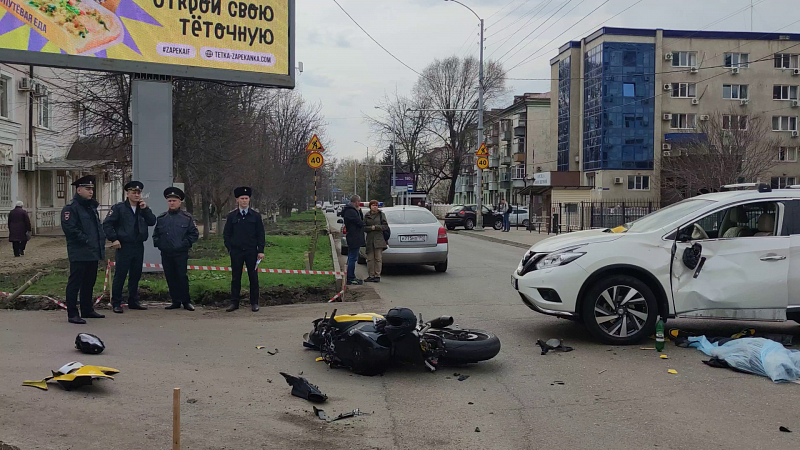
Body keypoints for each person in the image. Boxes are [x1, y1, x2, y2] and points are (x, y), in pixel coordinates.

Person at [102, 181, 157, 314]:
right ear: (128, 194)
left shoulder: (142, 209)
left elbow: (152, 221)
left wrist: (146, 209)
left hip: (138, 245)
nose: (136, 195)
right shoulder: (119, 208)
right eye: (134, 192)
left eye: (138, 193)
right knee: (121, 274)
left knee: (135, 274)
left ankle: (133, 301)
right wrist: (114, 239)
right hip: (124, 245)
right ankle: (116, 302)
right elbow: (107, 224)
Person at [60, 175, 106, 324]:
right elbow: (70, 228)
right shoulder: (71, 208)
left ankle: (87, 309)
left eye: (92, 189)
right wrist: (85, 239)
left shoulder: (91, 207)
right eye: (87, 189)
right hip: (79, 252)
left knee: (89, 282)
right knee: (75, 283)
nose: (91, 192)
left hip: (92, 251)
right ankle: (72, 313)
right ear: (79, 190)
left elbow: (96, 228)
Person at [153, 187, 199, 311]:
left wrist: (184, 244)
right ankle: (175, 301)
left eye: (174, 201)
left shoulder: (187, 217)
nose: (172, 203)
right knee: (170, 276)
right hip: (166, 253)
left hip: (180, 253)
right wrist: (160, 244)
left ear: (180, 202)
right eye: (170, 201)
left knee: (181, 277)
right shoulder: (162, 218)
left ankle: (186, 301)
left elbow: (194, 234)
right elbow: (156, 234)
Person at [223, 186, 265, 313]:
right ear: (237, 200)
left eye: (246, 198)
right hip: (236, 252)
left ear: (249, 200)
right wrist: (230, 248)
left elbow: (260, 234)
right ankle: (234, 303)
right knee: (236, 277)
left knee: (253, 277)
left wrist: (260, 250)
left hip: (251, 251)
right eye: (242, 198)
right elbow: (227, 234)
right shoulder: (231, 217)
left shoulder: (256, 216)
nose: (244, 201)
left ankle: (254, 303)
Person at [341, 195, 366, 285]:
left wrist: (359, 211)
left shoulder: (351, 210)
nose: (359, 204)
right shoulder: (351, 211)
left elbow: (360, 220)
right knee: (352, 258)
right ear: (356, 202)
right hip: (354, 237)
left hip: (353, 236)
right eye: (358, 202)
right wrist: (359, 212)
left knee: (351, 257)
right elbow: (360, 222)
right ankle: (350, 277)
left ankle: (349, 276)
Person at [363, 200, 388, 283]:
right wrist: (371, 228)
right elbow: (363, 227)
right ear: (370, 206)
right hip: (370, 239)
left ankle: (377, 275)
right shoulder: (367, 215)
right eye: (373, 205)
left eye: (376, 205)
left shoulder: (381, 215)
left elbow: (385, 226)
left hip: (379, 239)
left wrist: (376, 227)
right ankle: (371, 275)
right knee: (370, 259)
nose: (375, 207)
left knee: (378, 258)